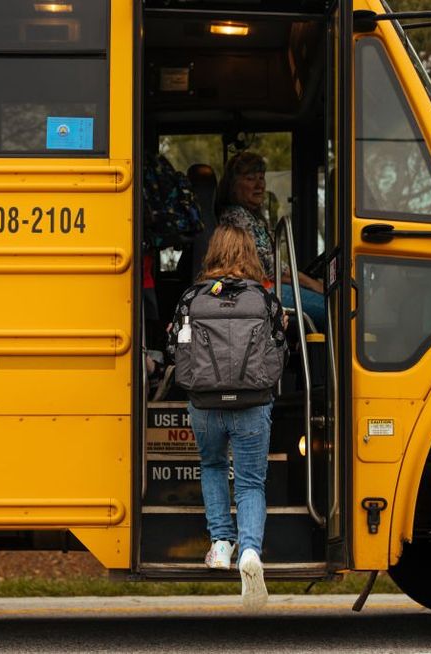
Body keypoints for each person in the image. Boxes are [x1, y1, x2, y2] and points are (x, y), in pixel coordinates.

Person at [166, 224, 287, 610]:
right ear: (250, 254)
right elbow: (281, 349)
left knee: (213, 465)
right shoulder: (265, 299)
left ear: (212, 253)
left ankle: (220, 545)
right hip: (252, 403)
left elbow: (173, 349)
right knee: (251, 482)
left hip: (205, 405)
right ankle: (250, 553)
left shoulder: (191, 298)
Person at [215, 151, 326, 332]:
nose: (260, 185)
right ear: (233, 186)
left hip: (261, 288)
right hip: (258, 291)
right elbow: (268, 267)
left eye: (261, 178)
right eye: (251, 179)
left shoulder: (251, 217)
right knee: (334, 309)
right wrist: (314, 284)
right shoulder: (237, 217)